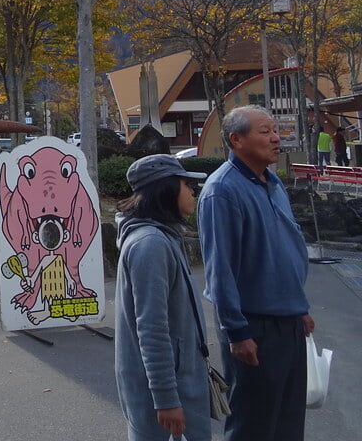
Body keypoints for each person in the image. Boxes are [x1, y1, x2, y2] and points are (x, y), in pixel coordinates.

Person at [197, 105, 314, 441]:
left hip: (288, 321)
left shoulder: (272, 181)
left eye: (275, 130)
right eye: (265, 131)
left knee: (287, 422)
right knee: (254, 425)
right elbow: (220, 270)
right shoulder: (222, 191)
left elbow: (283, 248)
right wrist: (236, 332)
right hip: (253, 327)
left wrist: (300, 307)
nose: (276, 138)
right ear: (236, 139)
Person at [115, 154, 211, 441]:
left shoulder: (163, 236)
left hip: (178, 382)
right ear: (166, 189)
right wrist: (167, 399)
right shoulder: (151, 244)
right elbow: (152, 329)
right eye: (185, 184)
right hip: (165, 392)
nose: (192, 191)